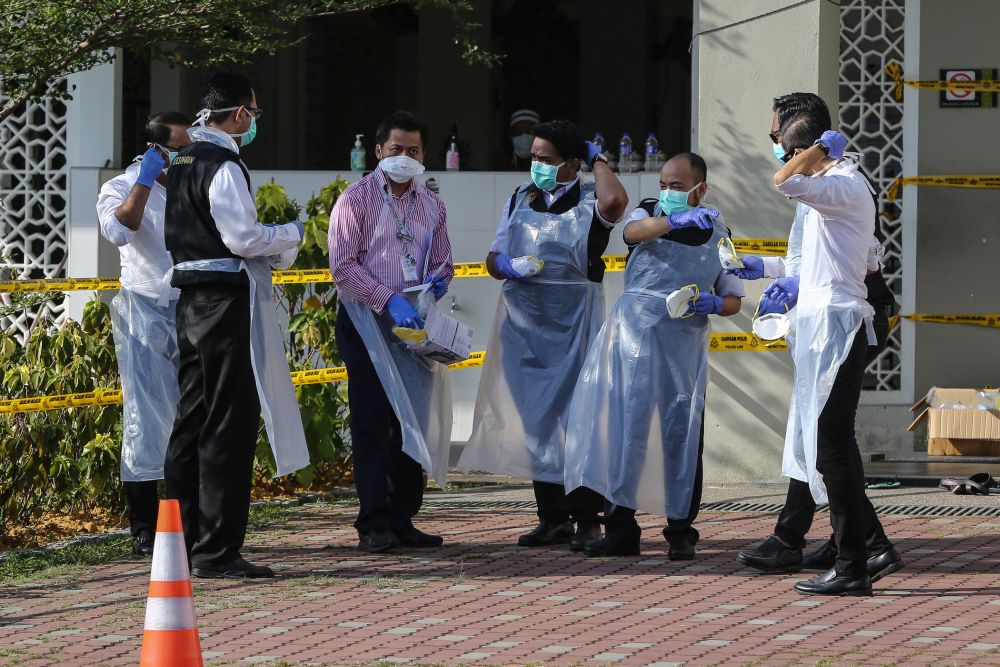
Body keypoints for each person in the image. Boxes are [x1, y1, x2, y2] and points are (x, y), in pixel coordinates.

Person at [733, 95, 901, 581]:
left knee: (829, 447)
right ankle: (858, 553)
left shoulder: (842, 184)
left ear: (805, 143)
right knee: (822, 445)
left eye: (779, 140)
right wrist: (766, 271)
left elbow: (783, 182)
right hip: (818, 322)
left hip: (838, 326)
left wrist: (805, 154)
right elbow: (810, 261)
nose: (776, 150)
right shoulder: (825, 188)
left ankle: (857, 558)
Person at [163, 72, 309, 579]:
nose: (254, 122)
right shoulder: (222, 163)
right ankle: (216, 549)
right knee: (229, 420)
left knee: (193, 418)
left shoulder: (180, 159)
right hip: (223, 303)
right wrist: (289, 232)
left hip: (190, 301)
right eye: (254, 111)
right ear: (241, 113)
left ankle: (176, 541)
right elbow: (243, 237)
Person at [458, 119, 628, 552]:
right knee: (537, 421)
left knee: (581, 422)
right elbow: (494, 256)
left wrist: (599, 160)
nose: (536, 165)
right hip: (524, 325)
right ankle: (552, 518)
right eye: (533, 157)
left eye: (546, 159)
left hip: (575, 326)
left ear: (573, 164)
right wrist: (509, 267)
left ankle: (587, 518)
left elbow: (616, 201)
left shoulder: (591, 201)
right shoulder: (520, 197)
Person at [563, 153, 743, 560]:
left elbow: (733, 298)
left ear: (702, 188)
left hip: (684, 347)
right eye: (664, 184)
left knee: (682, 431)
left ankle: (681, 529)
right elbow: (632, 234)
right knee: (627, 430)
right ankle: (620, 525)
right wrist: (673, 219)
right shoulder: (648, 213)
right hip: (634, 341)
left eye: (678, 186)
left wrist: (713, 304)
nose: (668, 192)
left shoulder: (719, 232)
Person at [329, 111, 454, 554]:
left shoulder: (431, 203)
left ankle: (403, 517)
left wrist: (438, 280)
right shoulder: (355, 199)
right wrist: (388, 298)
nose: (405, 158)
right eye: (396, 150)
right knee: (374, 421)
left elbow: (443, 258)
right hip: (367, 322)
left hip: (413, 327)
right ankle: (373, 521)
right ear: (378, 151)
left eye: (414, 151)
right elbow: (343, 268)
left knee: (413, 420)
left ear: (425, 156)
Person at [96, 111, 191, 557]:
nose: (186, 155)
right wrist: (146, 179)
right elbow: (119, 229)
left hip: (191, 306)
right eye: (179, 148)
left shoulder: (193, 184)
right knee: (144, 420)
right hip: (144, 311)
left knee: (190, 417)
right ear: (157, 150)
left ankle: (187, 517)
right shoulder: (122, 186)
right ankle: (144, 528)